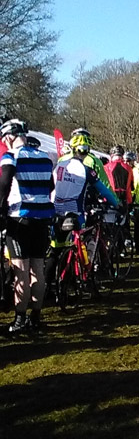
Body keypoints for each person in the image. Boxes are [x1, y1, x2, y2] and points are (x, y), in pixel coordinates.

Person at [0, 119, 55, 335]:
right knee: (37, 269)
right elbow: (50, 186)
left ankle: (19, 320)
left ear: (9, 137)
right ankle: (36, 318)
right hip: (42, 218)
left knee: (20, 271)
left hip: (20, 218)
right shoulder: (44, 157)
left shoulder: (10, 156)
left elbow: (4, 183)